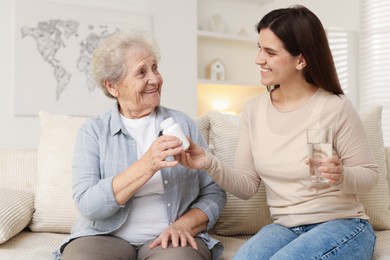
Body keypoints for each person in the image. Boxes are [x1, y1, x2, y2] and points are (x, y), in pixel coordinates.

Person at [179, 5, 378, 260]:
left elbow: (369, 175)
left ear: (301, 60)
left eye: (270, 52)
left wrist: (341, 175)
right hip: (285, 227)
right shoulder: (254, 110)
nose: (259, 59)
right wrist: (209, 163)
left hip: (343, 224)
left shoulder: (334, 107)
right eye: (259, 48)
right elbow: (247, 186)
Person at [53, 30, 226, 260]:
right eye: (141, 72)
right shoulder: (93, 131)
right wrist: (146, 165)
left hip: (170, 238)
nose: (154, 79)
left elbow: (214, 192)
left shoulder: (182, 124)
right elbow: (88, 205)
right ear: (113, 86)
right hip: (104, 236)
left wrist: (184, 225)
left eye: (155, 68)